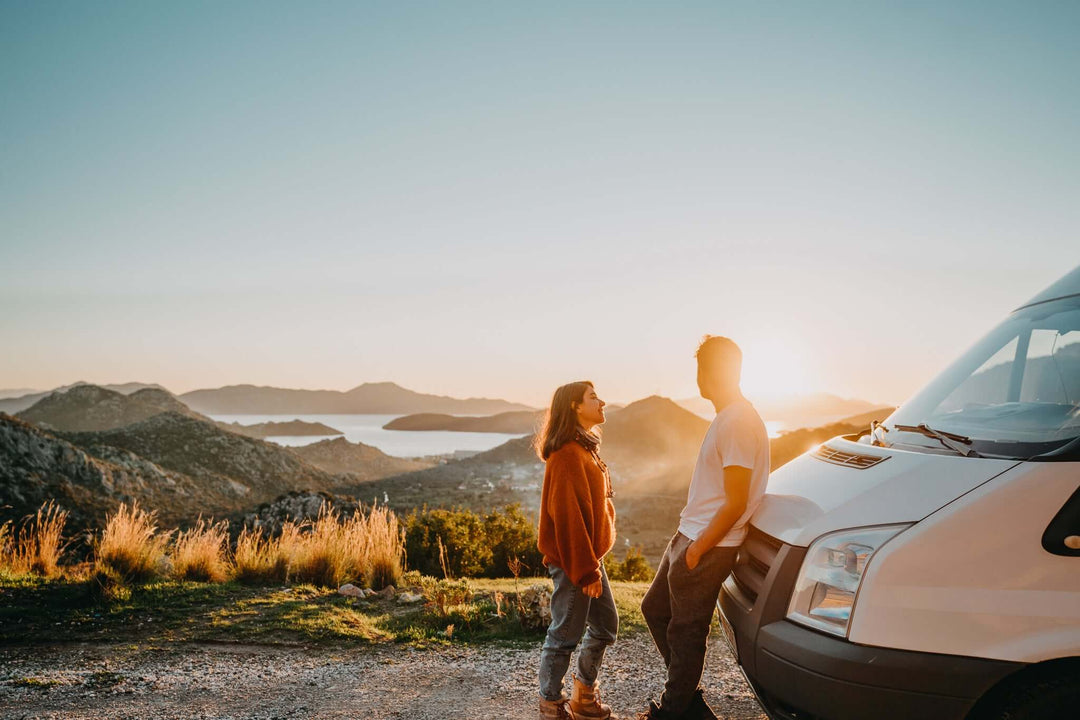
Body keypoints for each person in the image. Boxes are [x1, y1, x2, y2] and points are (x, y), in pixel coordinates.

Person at [637, 336, 770, 720]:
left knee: (686, 634)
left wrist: (698, 550)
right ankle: (689, 703)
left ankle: (673, 711)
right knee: (654, 610)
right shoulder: (727, 417)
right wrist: (687, 543)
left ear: (716, 372)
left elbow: (736, 501)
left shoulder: (739, 421)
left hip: (708, 544)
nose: (699, 377)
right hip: (690, 536)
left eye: (703, 368)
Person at [535, 381, 619, 720]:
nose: (602, 402)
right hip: (574, 561)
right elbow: (568, 516)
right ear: (574, 406)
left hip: (588, 559)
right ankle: (552, 706)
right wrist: (585, 572)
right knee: (564, 635)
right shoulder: (567, 454)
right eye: (593, 397)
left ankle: (583, 697)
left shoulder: (585, 447)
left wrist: (592, 563)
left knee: (605, 625)